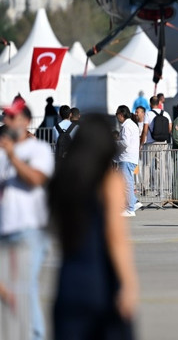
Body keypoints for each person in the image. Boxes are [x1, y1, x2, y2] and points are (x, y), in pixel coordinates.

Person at [47, 114, 139, 338]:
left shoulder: (63, 180)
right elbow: (115, 236)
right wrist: (129, 283)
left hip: (69, 278)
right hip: (100, 277)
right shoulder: (109, 181)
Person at [0, 97, 54, 340]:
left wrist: (12, 157)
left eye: (12, 116)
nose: (6, 120)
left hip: (30, 230)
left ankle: (34, 335)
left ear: (26, 121)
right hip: (6, 230)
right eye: (5, 116)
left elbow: (36, 179)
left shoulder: (37, 149)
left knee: (24, 287)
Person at [116, 105, 141, 217]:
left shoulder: (126, 126)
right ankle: (134, 202)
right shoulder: (132, 125)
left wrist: (115, 143)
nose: (117, 118)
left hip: (126, 158)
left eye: (117, 115)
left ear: (121, 115)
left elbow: (125, 143)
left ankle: (130, 208)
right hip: (130, 157)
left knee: (127, 183)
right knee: (127, 182)